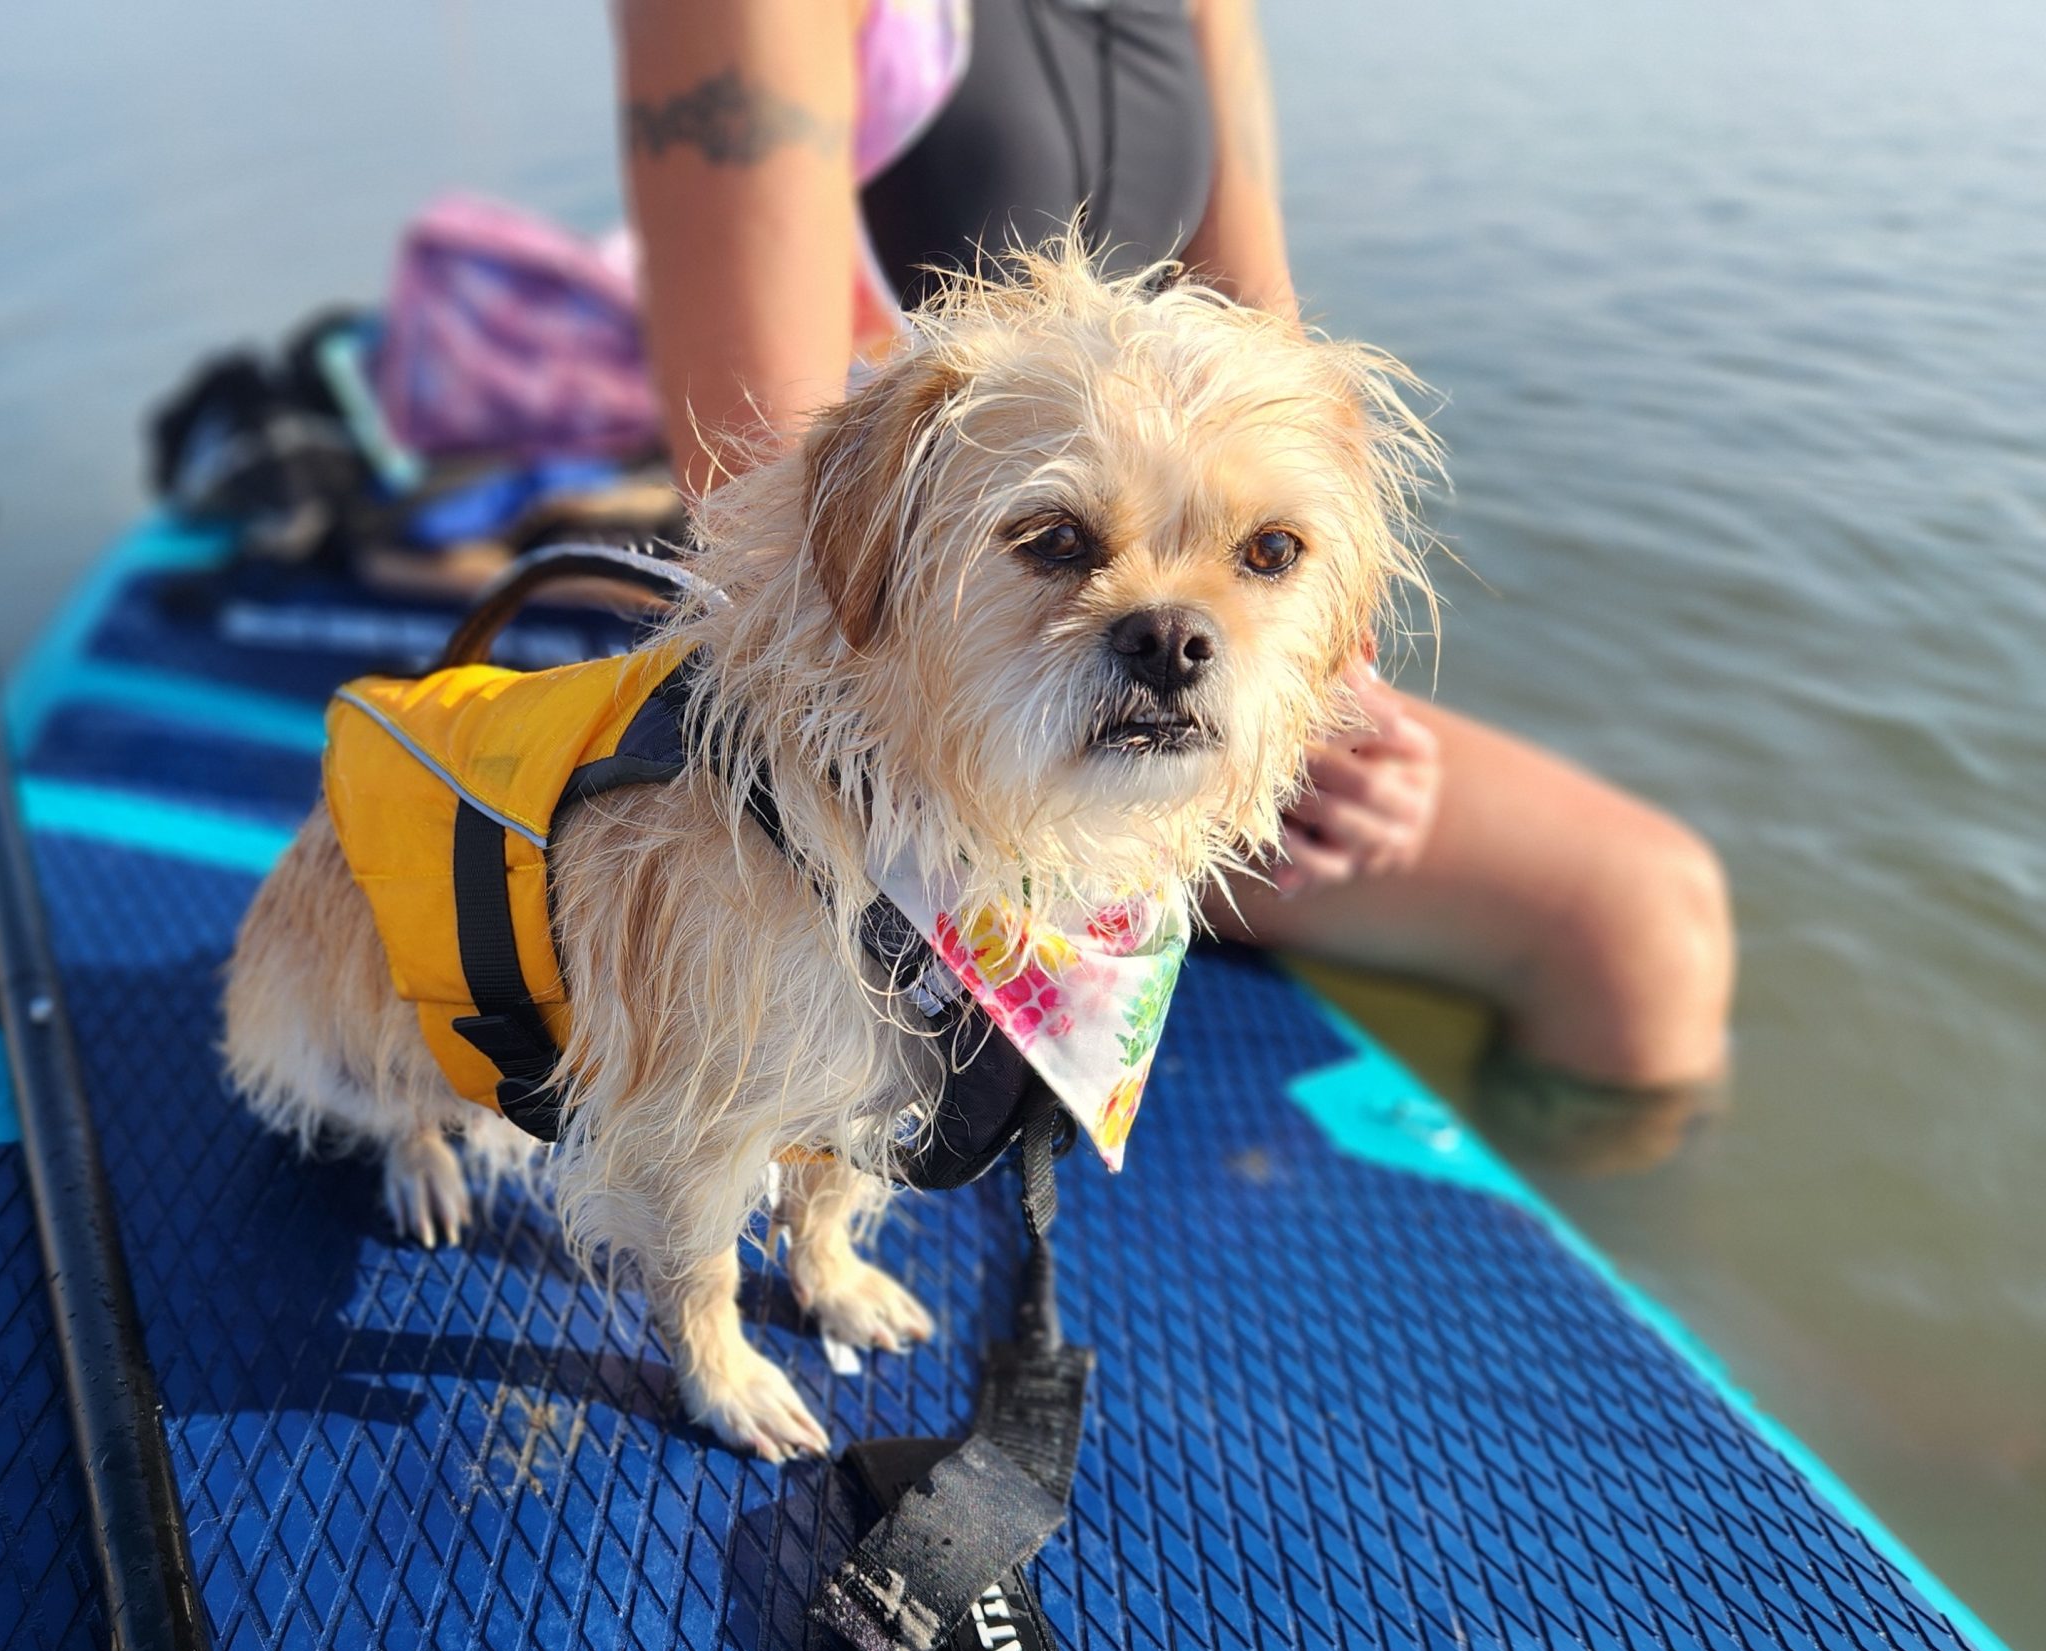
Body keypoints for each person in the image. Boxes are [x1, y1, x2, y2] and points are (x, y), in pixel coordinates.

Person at [610, 0, 1732, 1156]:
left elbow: (1277, 370)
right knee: (1628, 913)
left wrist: (1325, 697)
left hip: (1158, 613)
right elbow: (769, 495)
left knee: (1650, 915)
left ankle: (1551, 1254)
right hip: (910, 686)